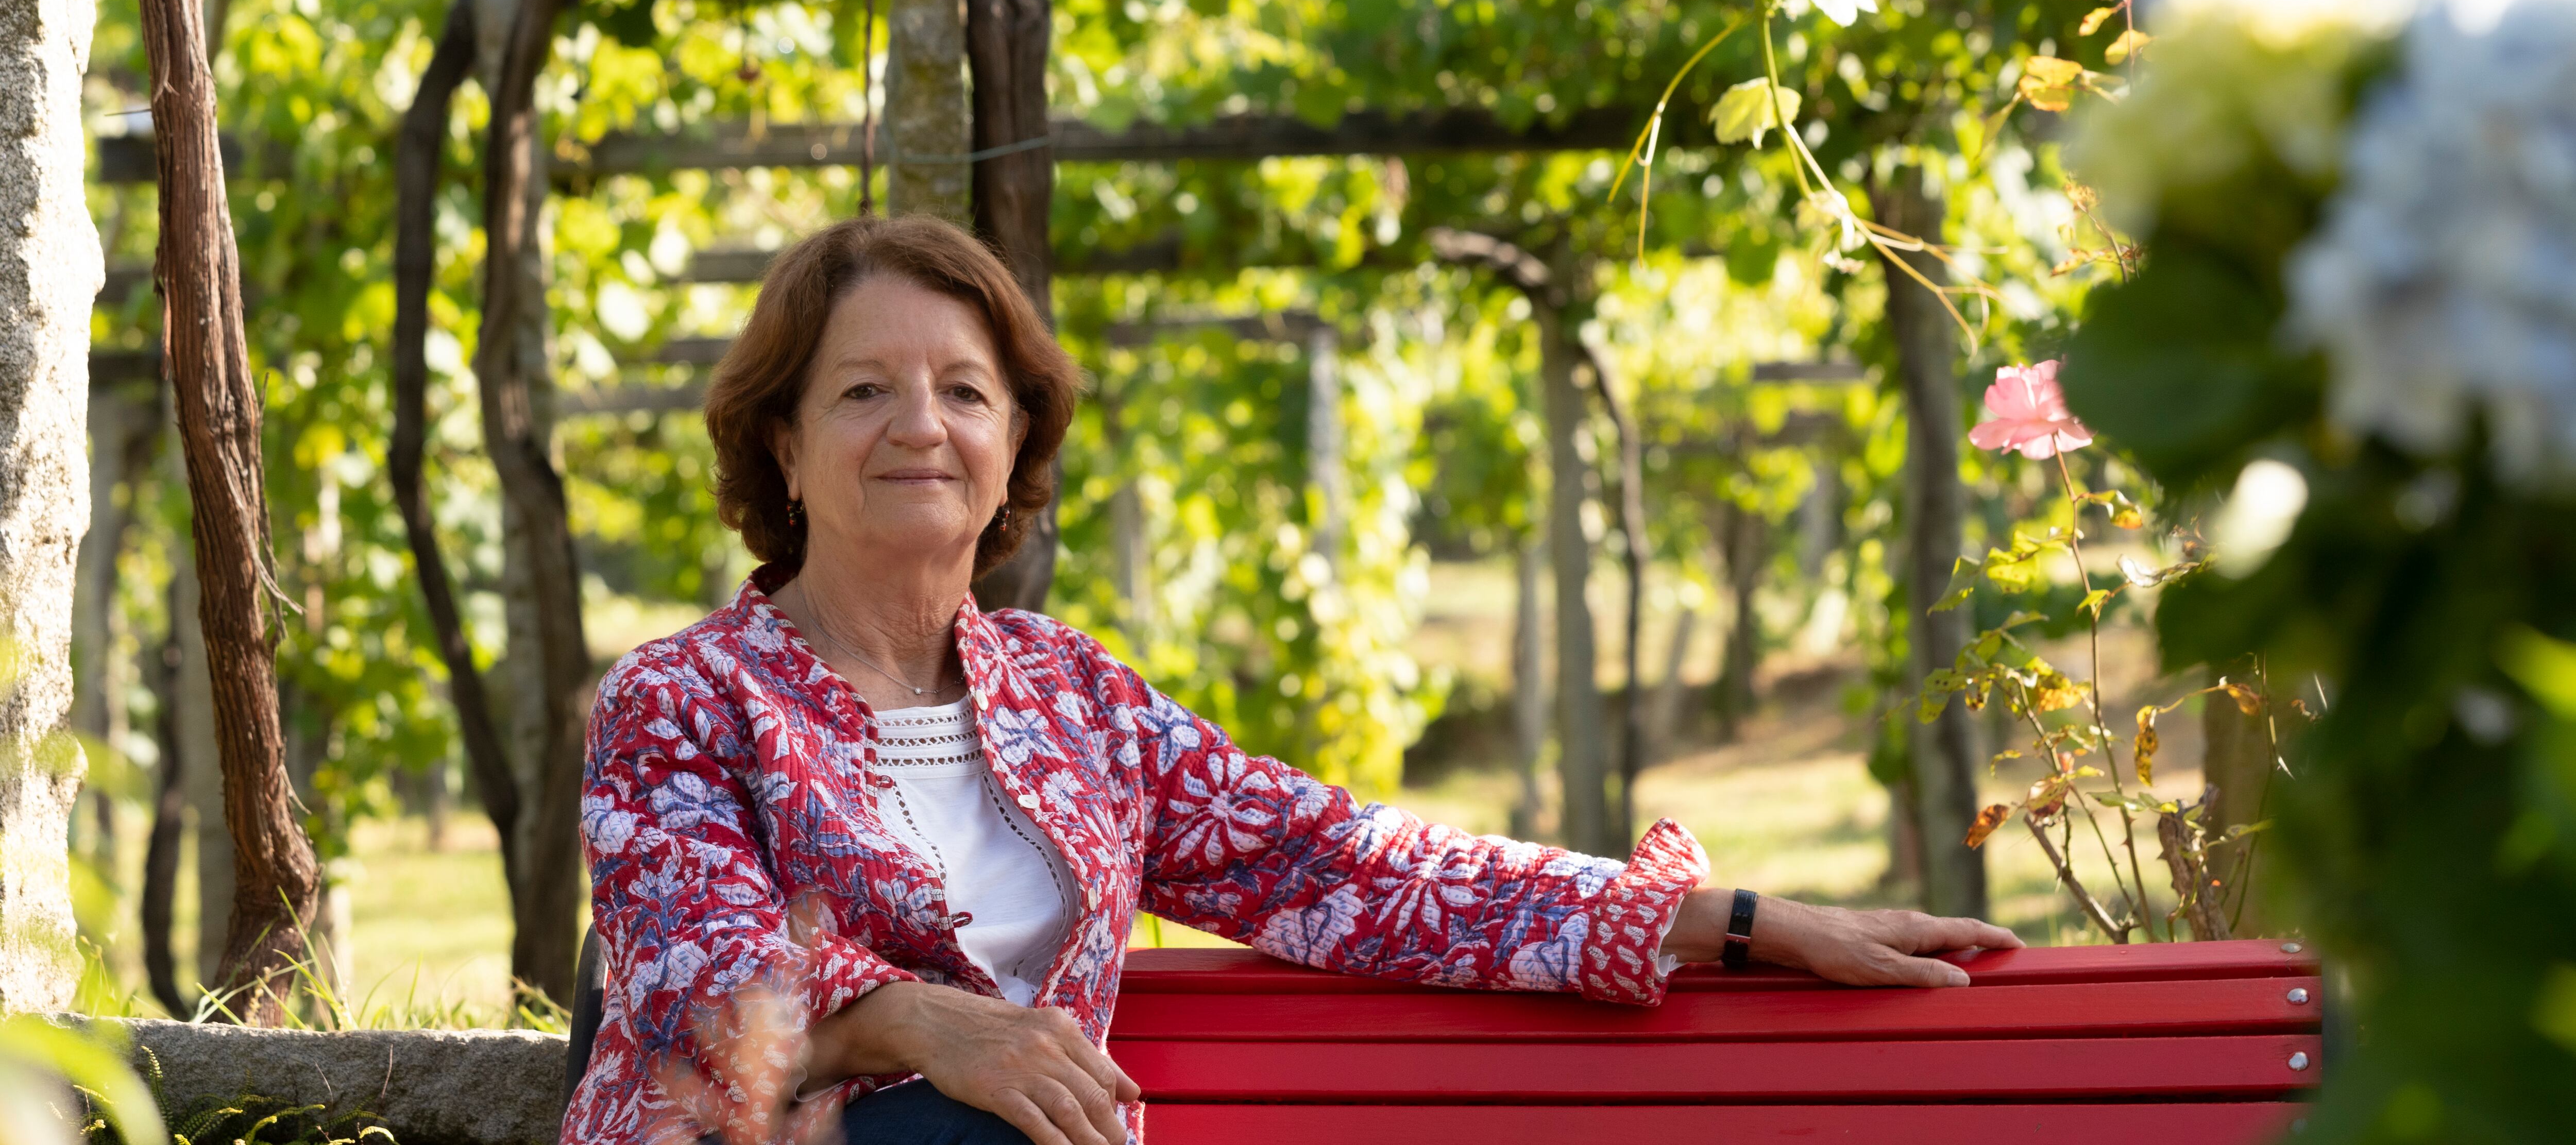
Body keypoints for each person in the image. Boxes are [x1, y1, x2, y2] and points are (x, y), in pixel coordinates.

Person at [561, 214, 2020, 1145]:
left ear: (1015, 441)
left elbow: (1345, 864)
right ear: (784, 446)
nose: (920, 426)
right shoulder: (682, 698)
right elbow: (710, 992)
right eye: (863, 389)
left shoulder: (1073, 700)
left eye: (964, 389)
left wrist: (1728, 920)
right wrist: (924, 1023)